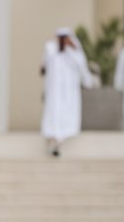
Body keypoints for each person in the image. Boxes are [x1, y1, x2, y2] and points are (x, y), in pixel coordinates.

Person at [41, 27, 96, 157]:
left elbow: (83, 69)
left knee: (67, 118)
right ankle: (54, 142)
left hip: (70, 93)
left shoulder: (75, 53)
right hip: (54, 92)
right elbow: (44, 67)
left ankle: (58, 142)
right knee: (53, 117)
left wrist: (88, 82)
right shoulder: (51, 50)